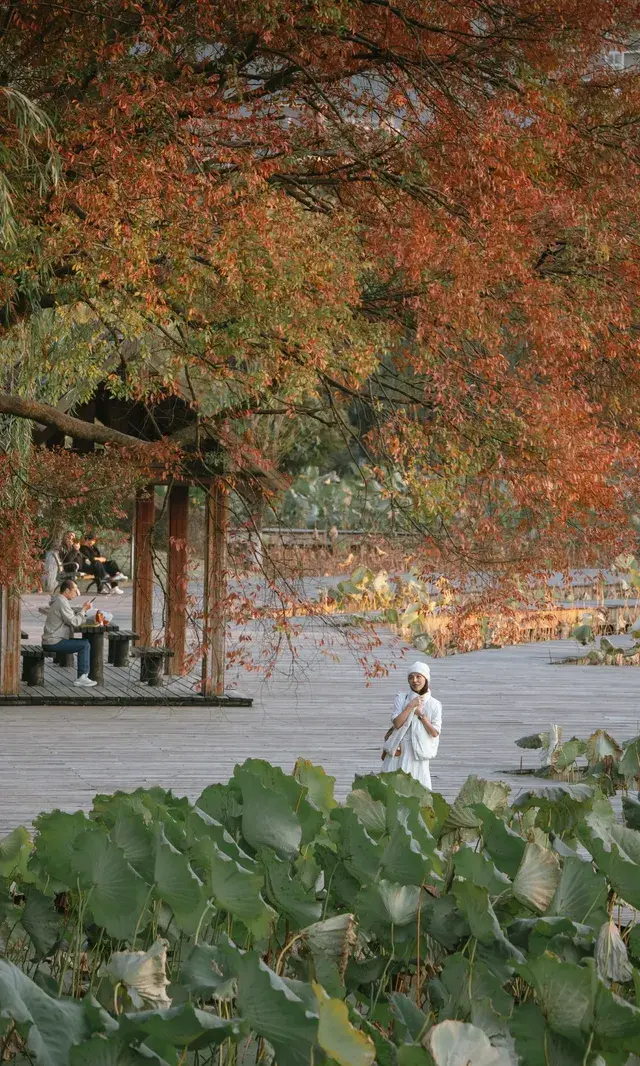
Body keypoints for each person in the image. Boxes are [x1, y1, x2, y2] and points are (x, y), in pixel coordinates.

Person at [381, 661, 442, 790]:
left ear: (426, 678)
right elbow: (397, 723)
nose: (414, 680)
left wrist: (421, 716)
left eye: (418, 676)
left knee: (419, 789)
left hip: (418, 753)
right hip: (399, 750)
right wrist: (410, 705)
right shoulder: (401, 698)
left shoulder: (434, 704)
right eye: (411, 677)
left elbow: (435, 732)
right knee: (393, 789)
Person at [41, 578, 98, 686]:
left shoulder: (60, 600)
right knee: (84, 645)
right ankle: (82, 677)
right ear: (67, 591)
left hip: (52, 639)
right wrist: (84, 610)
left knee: (84, 643)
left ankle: (83, 676)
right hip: (53, 642)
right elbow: (75, 622)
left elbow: (70, 617)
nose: (76, 593)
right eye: (75, 590)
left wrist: (82, 612)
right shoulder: (61, 602)